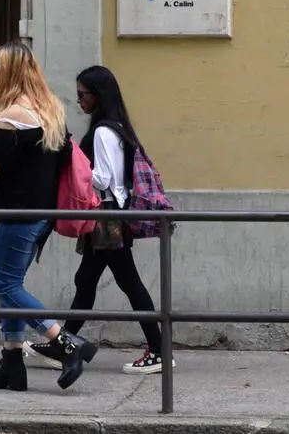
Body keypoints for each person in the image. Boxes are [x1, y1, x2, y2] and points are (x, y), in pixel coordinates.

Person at [0, 41, 97, 392]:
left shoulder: (13, 116)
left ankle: (64, 343)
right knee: (9, 286)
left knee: (3, 285)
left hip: (17, 215)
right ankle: (11, 364)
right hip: (40, 214)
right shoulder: (51, 112)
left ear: (12, 73)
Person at [24, 65, 175, 375]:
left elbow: (104, 179)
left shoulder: (105, 130)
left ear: (97, 95)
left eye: (83, 95)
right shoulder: (114, 126)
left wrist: (75, 165)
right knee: (86, 282)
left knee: (128, 283)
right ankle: (64, 345)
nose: (78, 100)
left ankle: (159, 351)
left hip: (107, 217)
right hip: (108, 218)